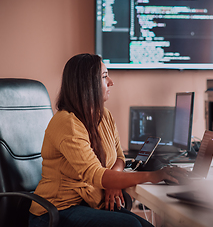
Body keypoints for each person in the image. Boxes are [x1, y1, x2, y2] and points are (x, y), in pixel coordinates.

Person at [29, 53, 185, 227]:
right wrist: (154, 175)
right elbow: (95, 174)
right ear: (87, 84)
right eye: (104, 76)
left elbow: (120, 157)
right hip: (58, 210)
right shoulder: (67, 122)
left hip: (91, 204)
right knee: (132, 226)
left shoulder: (104, 115)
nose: (111, 82)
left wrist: (113, 180)